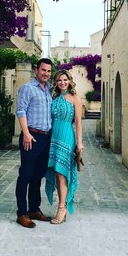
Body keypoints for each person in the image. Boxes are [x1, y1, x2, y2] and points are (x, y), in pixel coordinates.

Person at [15, 58, 53, 228]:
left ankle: (34, 209)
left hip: (45, 138)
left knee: (38, 176)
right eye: (43, 70)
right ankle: (22, 213)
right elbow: (21, 110)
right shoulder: (28, 88)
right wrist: (26, 133)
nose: (46, 73)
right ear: (36, 70)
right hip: (31, 137)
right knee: (26, 175)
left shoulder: (49, 90)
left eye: (49, 71)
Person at [45, 69, 83, 224]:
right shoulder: (53, 97)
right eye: (59, 80)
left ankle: (62, 207)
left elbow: (79, 123)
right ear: (56, 82)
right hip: (53, 137)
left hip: (67, 137)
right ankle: (61, 206)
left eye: (65, 80)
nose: (62, 83)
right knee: (56, 172)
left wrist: (79, 143)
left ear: (69, 81)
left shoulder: (75, 98)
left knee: (62, 173)